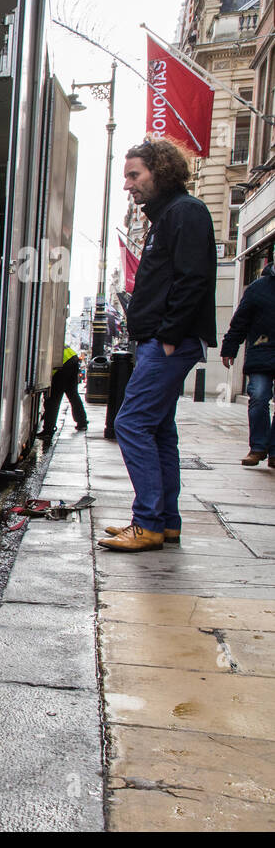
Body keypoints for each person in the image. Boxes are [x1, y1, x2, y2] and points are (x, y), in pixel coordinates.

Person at [98, 138, 216, 552]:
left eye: (134, 175)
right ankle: (165, 523)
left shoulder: (185, 213)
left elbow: (192, 278)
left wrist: (168, 335)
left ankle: (147, 522)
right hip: (161, 339)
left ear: (159, 172)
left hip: (169, 342)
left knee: (130, 423)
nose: (128, 185)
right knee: (160, 429)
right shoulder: (171, 215)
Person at [220, 261, 275, 466]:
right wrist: (229, 348)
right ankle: (258, 448)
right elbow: (240, 321)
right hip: (262, 352)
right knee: (259, 397)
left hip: (262, 352)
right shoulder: (258, 288)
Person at [39, 345, 88, 438]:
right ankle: (82, 422)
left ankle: (48, 430)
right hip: (72, 358)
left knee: (53, 397)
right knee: (72, 394)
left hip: (62, 365)